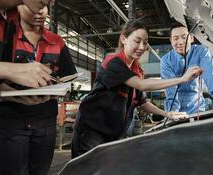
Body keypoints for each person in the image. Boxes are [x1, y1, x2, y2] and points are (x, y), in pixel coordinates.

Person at [71, 20, 203, 158]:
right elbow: (142, 85)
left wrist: (166, 114)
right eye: (137, 41)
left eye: (145, 42)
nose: (141, 47)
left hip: (112, 132)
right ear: (123, 39)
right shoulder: (113, 62)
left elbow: (142, 102)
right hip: (91, 130)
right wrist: (182, 79)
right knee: (86, 172)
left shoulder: (137, 70)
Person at [0, 4, 77, 175]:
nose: (40, 11)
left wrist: (56, 86)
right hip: (10, 120)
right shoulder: (5, 36)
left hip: (44, 120)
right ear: (17, 6)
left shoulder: (57, 42)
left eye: (45, 6)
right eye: (34, 5)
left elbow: (67, 77)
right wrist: (14, 89)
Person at [160, 22, 213, 115]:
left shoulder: (201, 52)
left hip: (197, 108)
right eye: (175, 38)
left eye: (184, 37)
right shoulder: (166, 60)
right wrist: (172, 112)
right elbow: (171, 91)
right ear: (171, 40)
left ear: (191, 38)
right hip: (176, 110)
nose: (180, 42)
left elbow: (211, 78)